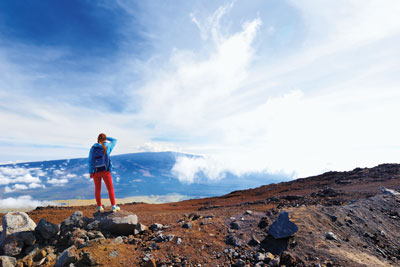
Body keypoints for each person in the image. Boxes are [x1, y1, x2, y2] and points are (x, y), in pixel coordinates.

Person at [88, 133, 120, 212]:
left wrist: (91, 172)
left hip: (96, 172)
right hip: (106, 171)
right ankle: (113, 207)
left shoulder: (93, 148)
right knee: (110, 189)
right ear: (105, 139)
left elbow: (90, 161)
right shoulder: (108, 146)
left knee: (97, 190)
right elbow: (115, 140)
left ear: (98, 139)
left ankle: (99, 207)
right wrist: (106, 138)